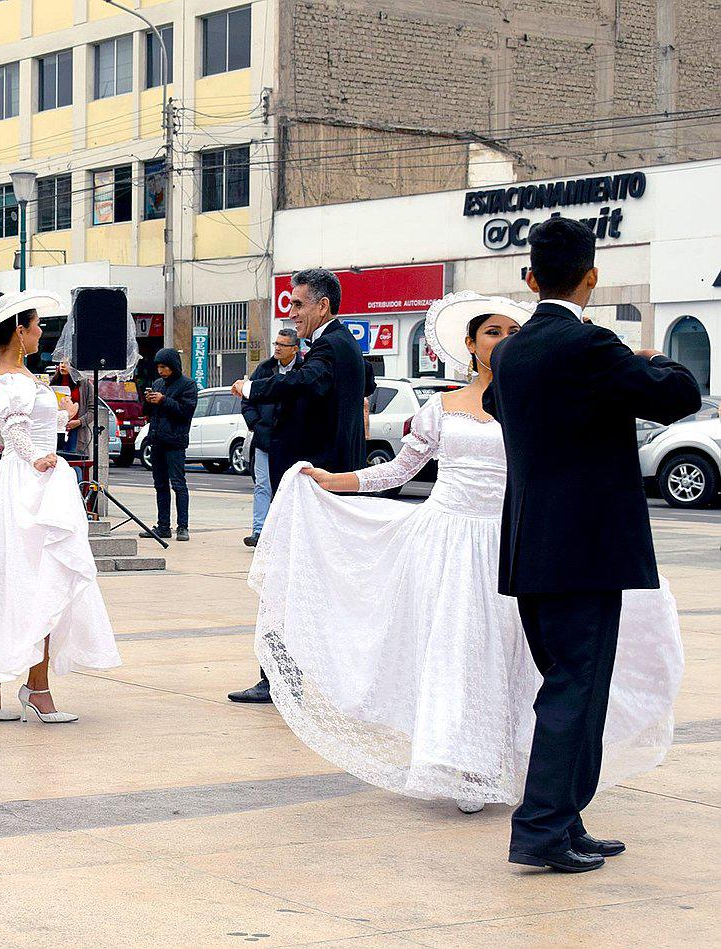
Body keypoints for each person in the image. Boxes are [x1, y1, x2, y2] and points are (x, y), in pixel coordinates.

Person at [249, 291, 683, 822]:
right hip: (448, 544)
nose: (502, 341)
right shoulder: (441, 406)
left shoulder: (531, 400)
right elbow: (399, 470)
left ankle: (516, 761)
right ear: (471, 345)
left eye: (511, 333)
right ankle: (464, 762)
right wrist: (335, 481)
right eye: (491, 333)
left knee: (517, 656)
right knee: (459, 652)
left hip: (511, 541)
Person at [485, 218, 701, 873]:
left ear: (530, 278)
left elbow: (502, 404)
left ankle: (567, 818)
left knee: (569, 686)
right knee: (576, 688)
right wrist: (645, 360)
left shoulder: (512, 352)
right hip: (583, 552)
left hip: (530, 550)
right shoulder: (591, 346)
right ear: (592, 276)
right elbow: (680, 396)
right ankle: (542, 829)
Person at [0, 290, 121, 723]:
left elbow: (32, 423)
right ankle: (13, 683)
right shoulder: (8, 378)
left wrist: (61, 415)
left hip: (44, 479)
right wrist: (35, 457)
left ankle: (21, 684)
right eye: (36, 324)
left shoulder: (24, 375)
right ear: (19, 330)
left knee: (43, 581)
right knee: (24, 581)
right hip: (26, 487)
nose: (41, 331)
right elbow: (13, 426)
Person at [227, 268, 367, 704]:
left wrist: (253, 387)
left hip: (316, 485)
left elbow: (306, 382)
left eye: (299, 303)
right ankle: (283, 675)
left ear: (322, 305)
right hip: (317, 483)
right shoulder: (340, 346)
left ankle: (281, 677)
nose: (292, 312)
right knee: (295, 583)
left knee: (285, 581)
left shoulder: (331, 347)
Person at [239, 328, 299, 546]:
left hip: (291, 441)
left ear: (295, 348)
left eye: (283, 345)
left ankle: (286, 532)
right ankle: (259, 531)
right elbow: (247, 399)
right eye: (276, 344)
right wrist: (256, 423)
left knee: (288, 486)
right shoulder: (264, 369)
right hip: (264, 438)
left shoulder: (303, 369)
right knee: (262, 484)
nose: (278, 348)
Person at [143, 348, 198, 541]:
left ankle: (182, 526)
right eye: (158, 367)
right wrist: (149, 401)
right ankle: (163, 526)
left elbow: (186, 411)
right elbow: (149, 412)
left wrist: (164, 400)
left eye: (164, 367)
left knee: (178, 484)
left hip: (175, 441)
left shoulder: (188, 385)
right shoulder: (158, 383)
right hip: (157, 440)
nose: (160, 371)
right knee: (160, 485)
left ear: (173, 366)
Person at [49, 360, 95, 457]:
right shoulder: (52, 382)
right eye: (61, 362)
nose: (62, 365)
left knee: (75, 463)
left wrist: (79, 422)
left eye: (66, 363)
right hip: (55, 430)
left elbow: (92, 411)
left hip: (76, 431)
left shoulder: (85, 384)